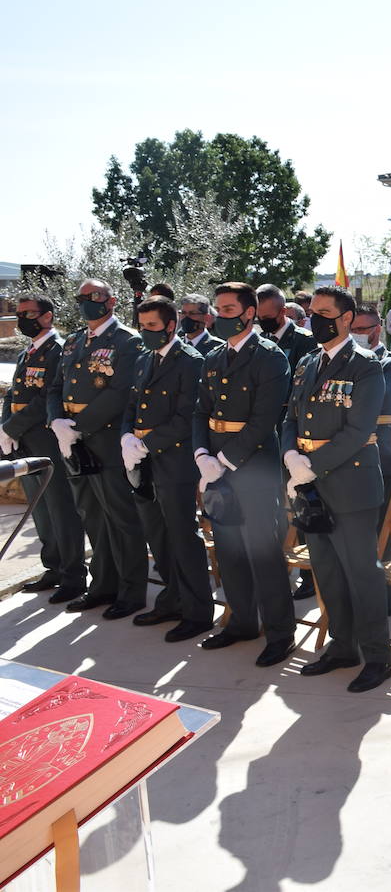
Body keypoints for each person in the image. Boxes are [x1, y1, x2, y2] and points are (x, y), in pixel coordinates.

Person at [281, 287, 391, 693]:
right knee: (327, 571)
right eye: (313, 313)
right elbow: (290, 417)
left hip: (350, 484)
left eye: (325, 313)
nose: (316, 320)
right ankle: (342, 646)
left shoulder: (366, 366)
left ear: (347, 318)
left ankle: (378, 656)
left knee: (361, 573)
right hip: (309, 483)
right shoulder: (308, 363)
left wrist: (309, 467)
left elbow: (358, 430)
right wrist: (291, 456)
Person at [193, 282, 296, 668]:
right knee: (229, 546)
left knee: (261, 550)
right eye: (218, 309)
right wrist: (202, 453)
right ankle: (241, 621)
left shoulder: (270, 357)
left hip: (251, 467)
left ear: (250, 313)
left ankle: (280, 632)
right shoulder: (214, 356)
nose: (221, 316)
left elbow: (264, 419)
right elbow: (200, 410)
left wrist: (224, 460)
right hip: (216, 464)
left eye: (229, 309)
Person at [47, 278, 147, 618]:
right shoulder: (74, 340)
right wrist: (56, 422)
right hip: (71, 440)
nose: (89, 301)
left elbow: (119, 394)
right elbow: (55, 387)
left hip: (103, 440)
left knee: (121, 518)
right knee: (91, 515)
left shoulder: (126, 342)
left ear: (112, 300)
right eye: (83, 297)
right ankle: (102, 585)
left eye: (97, 296)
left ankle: (132, 591)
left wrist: (77, 428)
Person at [120, 296, 213, 642]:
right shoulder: (145, 359)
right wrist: (127, 437)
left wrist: (146, 443)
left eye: (153, 327)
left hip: (173, 460)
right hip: (144, 460)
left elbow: (187, 416)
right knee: (156, 533)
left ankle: (198, 612)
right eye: (142, 326)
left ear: (171, 325)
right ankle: (171, 599)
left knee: (182, 535)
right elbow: (132, 403)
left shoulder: (190, 361)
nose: (145, 333)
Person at [1, 293, 87, 602]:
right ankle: (53, 567)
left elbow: (45, 400)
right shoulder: (28, 352)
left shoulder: (58, 350)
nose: (22, 318)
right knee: (40, 510)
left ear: (47, 316)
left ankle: (74, 576)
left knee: (61, 508)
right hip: (24, 439)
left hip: (46, 439)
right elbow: (14, 393)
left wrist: (12, 426)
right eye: (20, 313)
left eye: (28, 313)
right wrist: (4, 427)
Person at [350, 307, 391, 534]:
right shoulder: (344, 362)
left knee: (383, 526)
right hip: (348, 456)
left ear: (378, 329)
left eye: (362, 329)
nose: (356, 334)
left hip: (382, 453)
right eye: (352, 329)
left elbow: (382, 400)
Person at [255, 284, 318, 373]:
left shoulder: (304, 340)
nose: (263, 321)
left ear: (283, 312)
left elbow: (304, 380)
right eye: (259, 317)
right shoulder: (260, 339)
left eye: (267, 317)